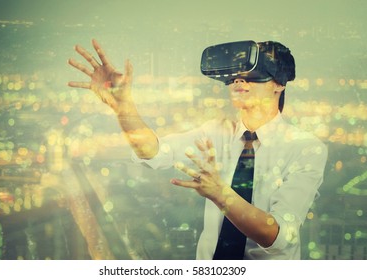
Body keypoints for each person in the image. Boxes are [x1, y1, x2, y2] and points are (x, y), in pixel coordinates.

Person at [68, 39, 328, 260]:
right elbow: (153, 151)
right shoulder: (215, 132)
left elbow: (279, 236)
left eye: (253, 74)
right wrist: (123, 107)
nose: (238, 80)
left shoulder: (306, 148)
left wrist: (221, 195)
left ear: (279, 84)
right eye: (234, 74)